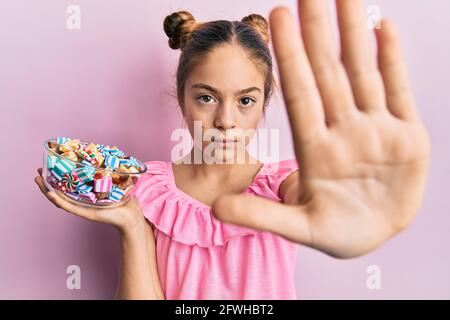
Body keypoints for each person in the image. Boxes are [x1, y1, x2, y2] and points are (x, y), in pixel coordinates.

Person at [34, 0, 430, 300]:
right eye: (207, 97)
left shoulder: (284, 185)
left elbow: (314, 200)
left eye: (245, 100)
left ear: (264, 103)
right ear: (182, 98)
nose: (226, 120)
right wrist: (133, 226)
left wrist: (354, 209)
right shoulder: (145, 189)